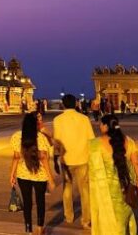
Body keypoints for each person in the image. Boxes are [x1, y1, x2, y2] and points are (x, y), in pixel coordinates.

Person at [88, 114, 138, 234]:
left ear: (106, 126)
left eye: (101, 124)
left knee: (109, 221)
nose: (99, 126)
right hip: (126, 187)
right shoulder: (129, 141)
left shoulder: (95, 144)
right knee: (123, 217)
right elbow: (136, 163)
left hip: (106, 192)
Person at [53, 93, 95, 229]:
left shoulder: (58, 120)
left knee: (67, 187)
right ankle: (86, 219)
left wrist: (55, 158)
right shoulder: (84, 119)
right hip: (83, 157)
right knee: (85, 190)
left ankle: (69, 216)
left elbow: (57, 142)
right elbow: (91, 139)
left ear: (63, 104)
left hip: (67, 159)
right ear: (76, 104)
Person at [10, 112, 56, 234]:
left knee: (27, 202)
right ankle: (40, 228)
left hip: (22, 175)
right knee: (40, 200)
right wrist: (51, 179)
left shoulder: (16, 136)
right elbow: (44, 159)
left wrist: (12, 174)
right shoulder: (40, 137)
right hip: (40, 175)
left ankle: (28, 230)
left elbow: (15, 157)